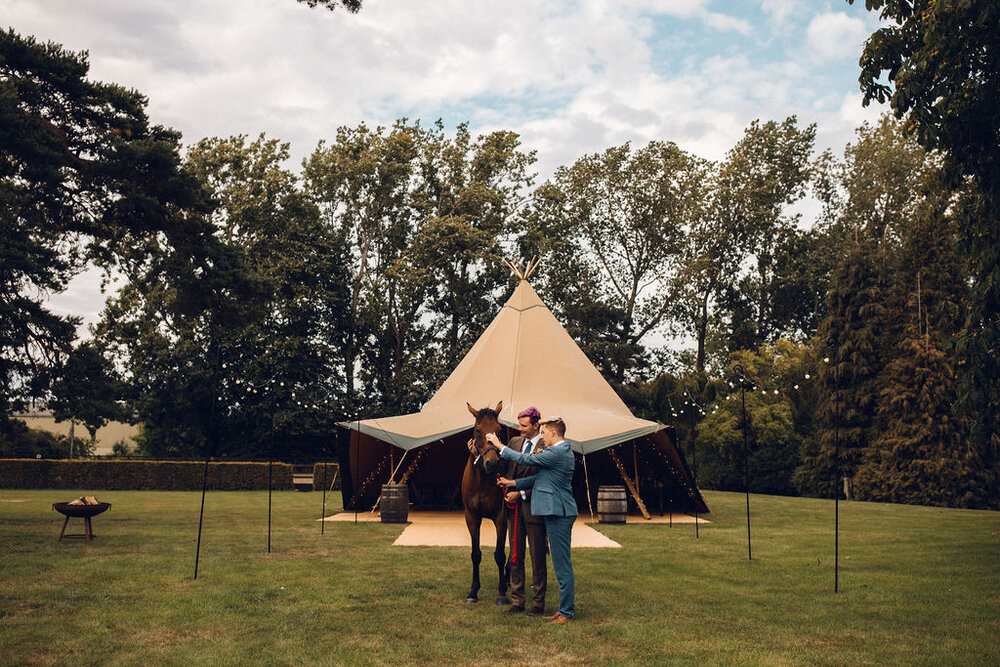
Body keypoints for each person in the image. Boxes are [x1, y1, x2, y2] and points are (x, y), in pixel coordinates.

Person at [490, 416, 577, 624]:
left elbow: (526, 460)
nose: (543, 437)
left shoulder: (556, 452)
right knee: (560, 564)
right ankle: (564, 610)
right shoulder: (558, 453)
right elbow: (538, 479)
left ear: (554, 433)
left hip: (560, 512)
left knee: (562, 566)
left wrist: (499, 445)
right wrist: (513, 482)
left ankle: (567, 612)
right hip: (556, 511)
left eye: (545, 433)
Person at [501, 407, 548, 616]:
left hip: (534, 508)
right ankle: (517, 600)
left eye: (523, 425)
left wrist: (520, 493)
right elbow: (503, 467)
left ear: (536, 425)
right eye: (519, 424)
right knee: (515, 554)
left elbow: (543, 479)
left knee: (537, 556)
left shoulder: (545, 445)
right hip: (513, 510)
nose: (519, 429)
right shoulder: (514, 443)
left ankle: (538, 603)